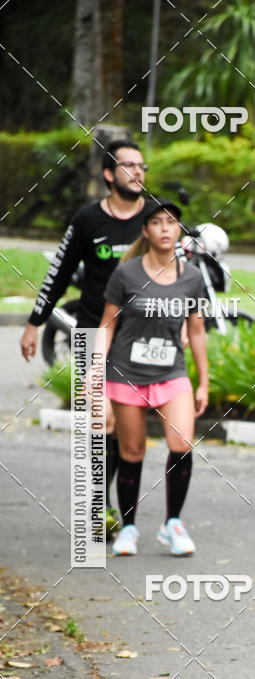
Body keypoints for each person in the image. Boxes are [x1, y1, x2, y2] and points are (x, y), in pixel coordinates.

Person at [20, 140, 153, 533]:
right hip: (93, 334)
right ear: (109, 174)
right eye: (128, 165)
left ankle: (120, 517)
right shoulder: (87, 220)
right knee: (99, 425)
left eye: (142, 165)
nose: (138, 172)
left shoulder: (157, 217)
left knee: (130, 434)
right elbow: (58, 273)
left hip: (139, 341)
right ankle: (96, 511)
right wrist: (34, 322)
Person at [94, 198, 209, 557]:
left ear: (179, 231)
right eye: (157, 222)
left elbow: (198, 330)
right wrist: (96, 373)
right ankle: (128, 527)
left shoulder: (191, 277)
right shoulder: (126, 273)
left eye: (171, 222)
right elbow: (106, 326)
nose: (164, 228)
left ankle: (172, 523)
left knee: (182, 444)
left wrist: (203, 380)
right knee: (131, 451)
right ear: (145, 230)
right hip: (126, 374)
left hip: (172, 374)